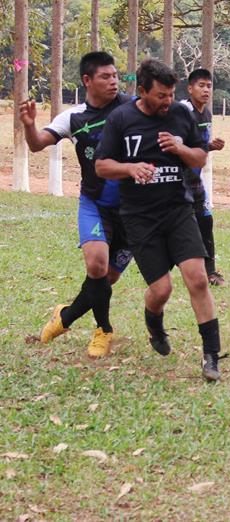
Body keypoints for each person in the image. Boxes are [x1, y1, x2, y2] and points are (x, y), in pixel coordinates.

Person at [95, 59, 225, 382]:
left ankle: (211, 356)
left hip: (178, 211)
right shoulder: (122, 119)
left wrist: (181, 148)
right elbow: (101, 165)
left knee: (197, 278)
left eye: (171, 94)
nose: (168, 101)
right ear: (142, 91)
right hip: (140, 218)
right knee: (161, 290)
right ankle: (153, 321)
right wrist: (130, 168)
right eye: (161, 96)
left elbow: (200, 156)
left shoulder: (181, 115)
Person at [19, 51, 133, 358]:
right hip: (94, 203)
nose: (113, 82)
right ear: (87, 80)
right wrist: (30, 125)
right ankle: (104, 330)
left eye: (115, 76)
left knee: (107, 278)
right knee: (96, 264)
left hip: (134, 210)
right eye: (105, 77)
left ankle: (64, 317)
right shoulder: (73, 117)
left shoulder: (131, 108)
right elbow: (37, 143)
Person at [179, 68, 226, 286]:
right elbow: (177, 145)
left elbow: (198, 147)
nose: (206, 90)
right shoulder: (181, 111)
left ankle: (211, 271)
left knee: (206, 221)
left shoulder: (205, 113)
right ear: (190, 88)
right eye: (201, 85)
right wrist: (206, 146)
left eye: (209, 86)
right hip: (177, 180)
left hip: (195, 180)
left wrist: (211, 147)